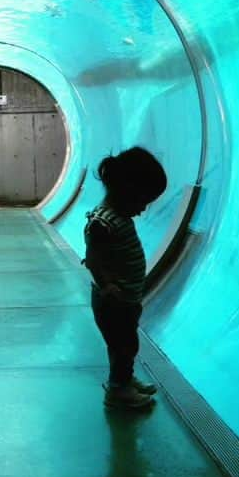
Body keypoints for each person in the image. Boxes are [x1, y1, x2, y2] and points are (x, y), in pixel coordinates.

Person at [83, 146, 167, 409]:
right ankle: (118, 392)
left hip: (125, 299)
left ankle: (125, 380)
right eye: (143, 201)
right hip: (113, 301)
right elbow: (94, 258)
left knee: (125, 345)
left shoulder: (117, 216)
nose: (143, 209)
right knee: (124, 346)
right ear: (127, 190)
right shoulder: (103, 222)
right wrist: (108, 285)